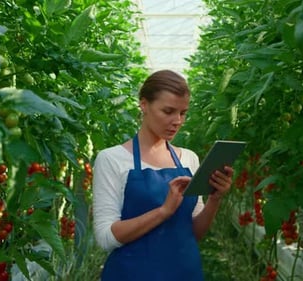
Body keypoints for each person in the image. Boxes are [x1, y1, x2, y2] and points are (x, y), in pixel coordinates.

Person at [92, 69, 234, 281]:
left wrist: (215, 198)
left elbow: (194, 233)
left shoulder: (188, 159)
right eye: (168, 111)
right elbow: (105, 237)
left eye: (183, 112)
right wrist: (163, 211)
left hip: (186, 273)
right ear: (144, 105)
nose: (177, 120)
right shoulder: (111, 159)